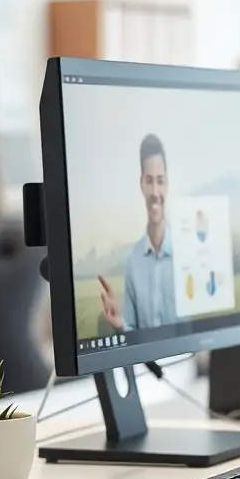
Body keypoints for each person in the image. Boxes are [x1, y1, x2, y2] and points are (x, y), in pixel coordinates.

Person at [99, 133, 177, 331]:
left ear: (167, 184)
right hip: (149, 363)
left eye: (160, 181)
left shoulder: (187, 253)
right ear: (141, 184)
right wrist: (120, 324)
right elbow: (133, 334)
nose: (155, 192)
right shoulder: (134, 261)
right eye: (149, 181)